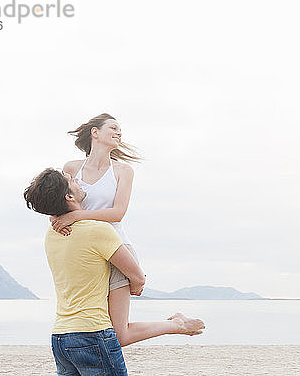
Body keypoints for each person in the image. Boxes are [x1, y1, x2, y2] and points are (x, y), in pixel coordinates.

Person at [49, 113, 205, 346]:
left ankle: (177, 325)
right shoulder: (71, 168)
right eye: (113, 127)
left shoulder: (123, 171)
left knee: (119, 335)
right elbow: (60, 201)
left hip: (116, 248)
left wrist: (76, 216)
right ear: (95, 132)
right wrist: (56, 218)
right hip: (86, 251)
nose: (119, 132)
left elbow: (117, 213)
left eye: (120, 130)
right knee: (92, 322)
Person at [24, 168, 141, 375]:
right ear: (69, 196)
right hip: (93, 333)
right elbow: (137, 276)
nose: (77, 180)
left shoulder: (52, 235)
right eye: (71, 180)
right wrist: (136, 285)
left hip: (61, 337)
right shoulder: (99, 230)